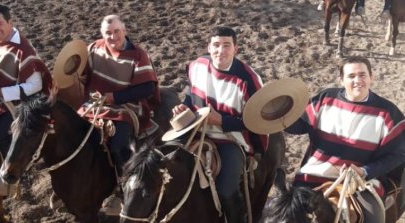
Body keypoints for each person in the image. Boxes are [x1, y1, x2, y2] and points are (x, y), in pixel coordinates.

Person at [285, 56, 405, 223]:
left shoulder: (388, 113)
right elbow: (298, 126)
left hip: (361, 182)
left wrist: (365, 171)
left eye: (363, 75)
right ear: (341, 80)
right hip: (315, 173)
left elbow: (397, 156)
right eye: (351, 76)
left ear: (372, 77)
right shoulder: (325, 99)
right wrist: (279, 115)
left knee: (373, 217)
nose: (358, 80)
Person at [171, 26, 265, 223]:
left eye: (226, 46)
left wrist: (222, 121)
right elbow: (191, 96)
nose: (220, 51)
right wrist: (183, 108)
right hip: (196, 130)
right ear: (209, 46)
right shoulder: (198, 65)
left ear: (235, 49)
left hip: (230, 139)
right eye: (216, 45)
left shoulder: (249, 80)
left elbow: (257, 123)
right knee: (166, 165)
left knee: (226, 188)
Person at [78, 14, 159, 214]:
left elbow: (147, 87)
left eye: (116, 32)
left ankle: (123, 189)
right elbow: (81, 72)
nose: (112, 36)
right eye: (108, 33)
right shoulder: (94, 48)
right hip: (94, 104)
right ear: (102, 34)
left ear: (125, 31)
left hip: (127, 106)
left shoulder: (138, 54)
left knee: (118, 142)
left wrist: (113, 97)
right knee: (76, 132)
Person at [0, 4, 52, 196]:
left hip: (17, 101)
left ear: (10, 22)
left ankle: (10, 179)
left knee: (3, 132)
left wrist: (1, 92)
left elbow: (34, 85)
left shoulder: (24, 50)